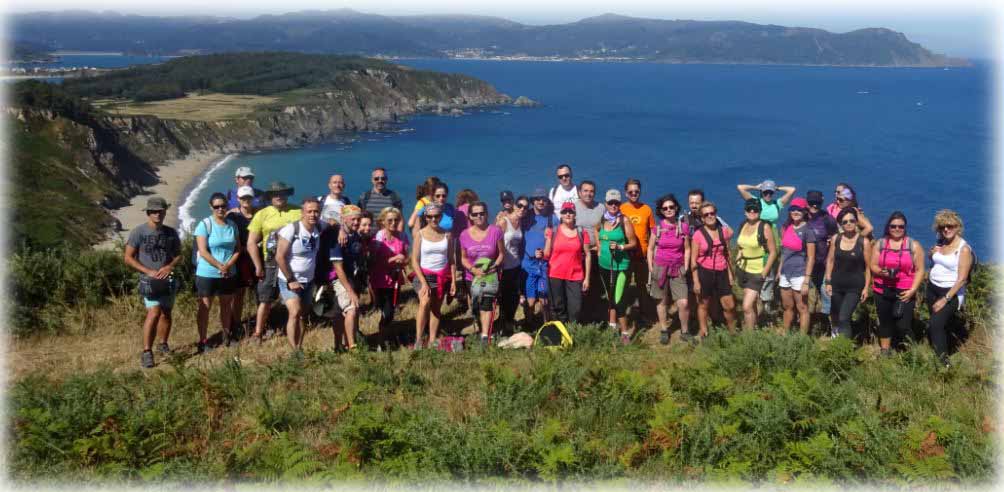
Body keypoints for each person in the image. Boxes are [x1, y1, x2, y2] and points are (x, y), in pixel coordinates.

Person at [124, 196, 181, 369]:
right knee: (154, 312)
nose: (157, 214)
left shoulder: (171, 233)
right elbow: (127, 257)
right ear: (148, 213)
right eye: (154, 211)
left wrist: (170, 266)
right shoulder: (138, 232)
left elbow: (178, 255)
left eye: (160, 211)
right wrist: (148, 271)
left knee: (166, 313)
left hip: (167, 280)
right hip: (148, 281)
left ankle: (163, 344)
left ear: (164, 212)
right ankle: (147, 351)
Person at [246, 182, 301, 342]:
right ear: (270, 196)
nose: (279, 196)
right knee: (265, 298)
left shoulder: (298, 211)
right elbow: (251, 242)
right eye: (275, 194)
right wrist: (258, 265)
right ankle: (258, 332)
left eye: (282, 193)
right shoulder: (262, 214)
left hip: (292, 261)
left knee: (295, 295)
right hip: (269, 263)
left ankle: (298, 324)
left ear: (287, 194)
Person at [870, 211, 925, 354]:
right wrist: (882, 272)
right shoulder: (880, 244)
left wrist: (913, 290)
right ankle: (885, 351)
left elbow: (920, 270)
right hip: (882, 289)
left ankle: (913, 352)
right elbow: (873, 265)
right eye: (893, 226)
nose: (897, 229)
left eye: (901, 226)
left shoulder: (914, 246)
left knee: (903, 324)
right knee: (885, 321)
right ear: (888, 227)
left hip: (905, 291)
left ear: (905, 227)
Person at [274, 198, 324, 351]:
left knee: (303, 315)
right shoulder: (291, 229)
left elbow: (335, 223)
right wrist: (291, 279)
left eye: (316, 211)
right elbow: (279, 256)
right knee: (294, 312)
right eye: (309, 211)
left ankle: (299, 347)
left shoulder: (319, 227)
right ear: (302, 213)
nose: (313, 214)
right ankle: (294, 350)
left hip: (309, 281)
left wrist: (341, 229)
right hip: (289, 280)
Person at [193, 192, 240, 352]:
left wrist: (228, 266)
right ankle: (203, 340)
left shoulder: (232, 225)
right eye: (217, 206)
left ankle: (226, 336)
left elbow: (238, 249)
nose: (220, 209)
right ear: (211, 207)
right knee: (205, 307)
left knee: (227, 306)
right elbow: (203, 251)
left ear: (227, 206)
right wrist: (220, 266)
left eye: (223, 206)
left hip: (228, 273)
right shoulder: (205, 224)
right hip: (207, 273)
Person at [926, 209, 974, 366]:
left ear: (958, 226)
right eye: (942, 227)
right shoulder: (941, 243)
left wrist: (945, 299)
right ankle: (942, 350)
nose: (946, 229)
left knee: (935, 324)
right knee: (939, 324)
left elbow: (962, 279)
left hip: (950, 293)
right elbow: (936, 262)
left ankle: (944, 365)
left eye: (950, 226)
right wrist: (931, 254)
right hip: (932, 288)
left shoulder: (964, 249)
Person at [411, 203, 457, 349]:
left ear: (441, 216)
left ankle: (432, 340)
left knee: (436, 309)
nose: (433, 219)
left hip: (441, 275)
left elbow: (451, 259)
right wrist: (424, 283)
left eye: (436, 216)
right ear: (426, 217)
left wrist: (454, 281)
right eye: (430, 216)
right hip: (423, 274)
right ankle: (418, 339)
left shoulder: (447, 235)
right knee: (424, 302)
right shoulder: (420, 234)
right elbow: (414, 261)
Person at [646, 194, 691, 343]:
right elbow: (650, 249)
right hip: (660, 268)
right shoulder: (657, 229)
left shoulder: (683, 227)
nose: (669, 210)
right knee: (661, 301)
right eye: (665, 208)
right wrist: (651, 267)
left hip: (678, 268)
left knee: (683, 302)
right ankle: (664, 329)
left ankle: (685, 331)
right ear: (661, 211)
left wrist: (686, 266)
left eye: (671, 207)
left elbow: (687, 249)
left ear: (676, 208)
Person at [459, 201, 505, 344]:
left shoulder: (496, 231)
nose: (479, 216)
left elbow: (502, 254)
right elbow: (463, 258)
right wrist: (473, 270)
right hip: (471, 276)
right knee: (476, 306)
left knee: (487, 304)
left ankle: (485, 336)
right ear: (470, 217)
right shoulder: (464, 235)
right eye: (475, 214)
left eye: (482, 213)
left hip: (490, 275)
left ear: (486, 214)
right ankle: (480, 328)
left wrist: (495, 266)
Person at [823, 208, 872, 339]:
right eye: (845, 222)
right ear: (840, 224)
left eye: (852, 220)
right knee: (837, 315)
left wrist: (866, 288)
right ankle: (838, 341)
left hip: (855, 286)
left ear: (856, 222)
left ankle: (844, 349)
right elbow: (830, 260)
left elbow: (868, 267)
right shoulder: (836, 239)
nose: (849, 223)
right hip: (837, 284)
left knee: (844, 317)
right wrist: (828, 282)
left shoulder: (864, 242)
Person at [598, 189, 638, 344]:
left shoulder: (624, 221)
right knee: (610, 298)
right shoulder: (602, 219)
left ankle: (625, 333)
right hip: (604, 265)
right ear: (605, 203)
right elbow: (597, 232)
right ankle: (612, 326)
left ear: (620, 204)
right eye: (610, 202)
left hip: (621, 266)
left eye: (616, 203)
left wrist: (621, 247)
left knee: (619, 300)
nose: (613, 205)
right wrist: (600, 247)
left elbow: (633, 243)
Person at [691, 201, 736, 337]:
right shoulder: (698, 235)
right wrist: (696, 282)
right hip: (705, 272)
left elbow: (727, 253)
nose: (710, 216)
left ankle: (732, 332)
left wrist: (730, 274)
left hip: (722, 271)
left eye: (712, 213)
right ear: (702, 218)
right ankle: (704, 331)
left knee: (730, 305)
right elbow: (693, 260)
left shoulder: (724, 232)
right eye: (706, 214)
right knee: (704, 304)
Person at [544, 202, 592, 324]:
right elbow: (546, 254)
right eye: (565, 212)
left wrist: (587, 278)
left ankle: (572, 333)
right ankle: (560, 334)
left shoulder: (582, 233)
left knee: (575, 308)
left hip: (575, 276)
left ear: (575, 214)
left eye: (571, 212)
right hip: (555, 275)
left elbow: (587, 255)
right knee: (557, 308)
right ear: (561, 214)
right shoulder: (553, 231)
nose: (568, 214)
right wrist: (541, 251)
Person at [327, 205, 367, 351]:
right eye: (353, 219)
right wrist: (350, 290)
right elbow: (338, 268)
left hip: (351, 277)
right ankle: (353, 346)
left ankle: (338, 345)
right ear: (343, 219)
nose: (356, 222)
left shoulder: (354, 235)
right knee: (351, 308)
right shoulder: (338, 239)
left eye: (358, 219)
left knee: (338, 314)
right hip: (339, 278)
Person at [369, 207, 409, 348]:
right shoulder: (379, 238)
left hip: (395, 280)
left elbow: (407, 258)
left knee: (390, 312)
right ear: (383, 222)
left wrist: (403, 260)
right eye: (390, 220)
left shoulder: (403, 236)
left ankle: (385, 339)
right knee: (387, 312)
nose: (393, 223)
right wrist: (394, 259)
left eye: (396, 220)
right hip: (380, 280)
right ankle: (381, 342)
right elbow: (373, 262)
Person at [734, 197, 777, 330]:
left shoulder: (764, 227)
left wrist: (764, 272)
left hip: (757, 270)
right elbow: (742, 246)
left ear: (760, 211)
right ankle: (754, 328)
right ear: (745, 211)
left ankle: (749, 337)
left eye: (755, 209)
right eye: (749, 209)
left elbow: (773, 252)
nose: (752, 211)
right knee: (751, 304)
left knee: (746, 306)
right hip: (743, 269)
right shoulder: (743, 225)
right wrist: (738, 257)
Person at [777, 197, 817, 335]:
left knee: (802, 307)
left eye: (799, 210)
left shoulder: (808, 231)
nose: (795, 212)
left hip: (800, 274)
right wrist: (779, 270)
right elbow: (784, 252)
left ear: (805, 212)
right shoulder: (786, 227)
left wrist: (806, 280)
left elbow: (811, 257)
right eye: (793, 209)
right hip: (785, 273)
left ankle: (802, 339)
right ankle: (786, 334)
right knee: (787, 306)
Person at [620, 178, 656, 322]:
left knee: (642, 286)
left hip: (642, 255)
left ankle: (643, 313)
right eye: (631, 192)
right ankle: (623, 313)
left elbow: (653, 230)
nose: (634, 194)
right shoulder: (621, 208)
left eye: (636, 191)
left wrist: (652, 251)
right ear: (626, 193)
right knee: (623, 285)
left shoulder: (646, 209)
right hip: (625, 255)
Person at [521, 187, 555, 329]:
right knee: (530, 299)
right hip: (527, 264)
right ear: (533, 201)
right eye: (537, 199)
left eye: (544, 199)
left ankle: (546, 325)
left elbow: (559, 239)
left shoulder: (552, 218)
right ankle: (529, 325)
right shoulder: (525, 215)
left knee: (544, 299)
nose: (541, 201)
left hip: (544, 265)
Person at [226, 185, 257, 338]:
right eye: (243, 198)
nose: (246, 200)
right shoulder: (231, 216)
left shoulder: (259, 214)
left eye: (249, 198)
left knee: (260, 293)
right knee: (238, 293)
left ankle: (259, 323)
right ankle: (236, 324)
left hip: (257, 258)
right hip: (239, 259)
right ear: (238, 199)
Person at [805, 190, 838, 331]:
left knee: (827, 295)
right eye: (811, 203)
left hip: (824, 265)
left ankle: (830, 328)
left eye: (817, 203)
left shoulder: (827, 219)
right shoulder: (802, 216)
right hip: (806, 266)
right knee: (808, 299)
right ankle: (809, 327)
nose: (814, 206)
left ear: (821, 202)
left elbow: (835, 239)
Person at [496, 195, 527, 336]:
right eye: (520, 205)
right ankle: (502, 325)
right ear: (514, 205)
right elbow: (494, 241)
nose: (522, 209)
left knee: (514, 297)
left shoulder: (521, 222)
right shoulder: (503, 221)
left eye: (525, 207)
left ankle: (509, 322)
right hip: (503, 266)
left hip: (516, 265)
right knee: (503, 297)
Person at [575, 181, 605, 322]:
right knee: (578, 285)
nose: (588, 194)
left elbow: (605, 228)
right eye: (585, 191)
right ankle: (578, 315)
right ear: (580, 192)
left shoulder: (600, 208)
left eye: (591, 191)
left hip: (595, 252)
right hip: (578, 253)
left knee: (595, 286)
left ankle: (593, 317)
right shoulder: (573, 207)